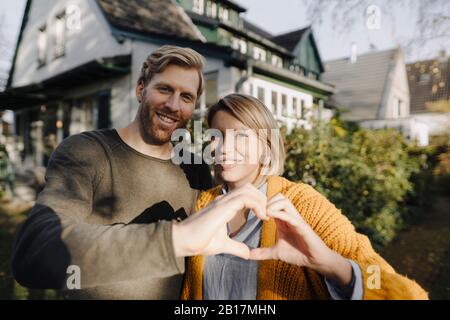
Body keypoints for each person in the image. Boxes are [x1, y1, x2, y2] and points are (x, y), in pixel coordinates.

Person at [11, 46, 269, 299]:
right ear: (140, 89)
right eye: (164, 89)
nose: (173, 105)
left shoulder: (196, 169)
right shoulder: (86, 152)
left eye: (187, 97)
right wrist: (176, 239)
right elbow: (36, 253)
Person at [181, 93, 428, 300]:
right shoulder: (204, 204)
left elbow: (384, 278)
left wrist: (333, 265)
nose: (224, 147)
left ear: (267, 148)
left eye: (241, 136)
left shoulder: (302, 204)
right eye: (217, 136)